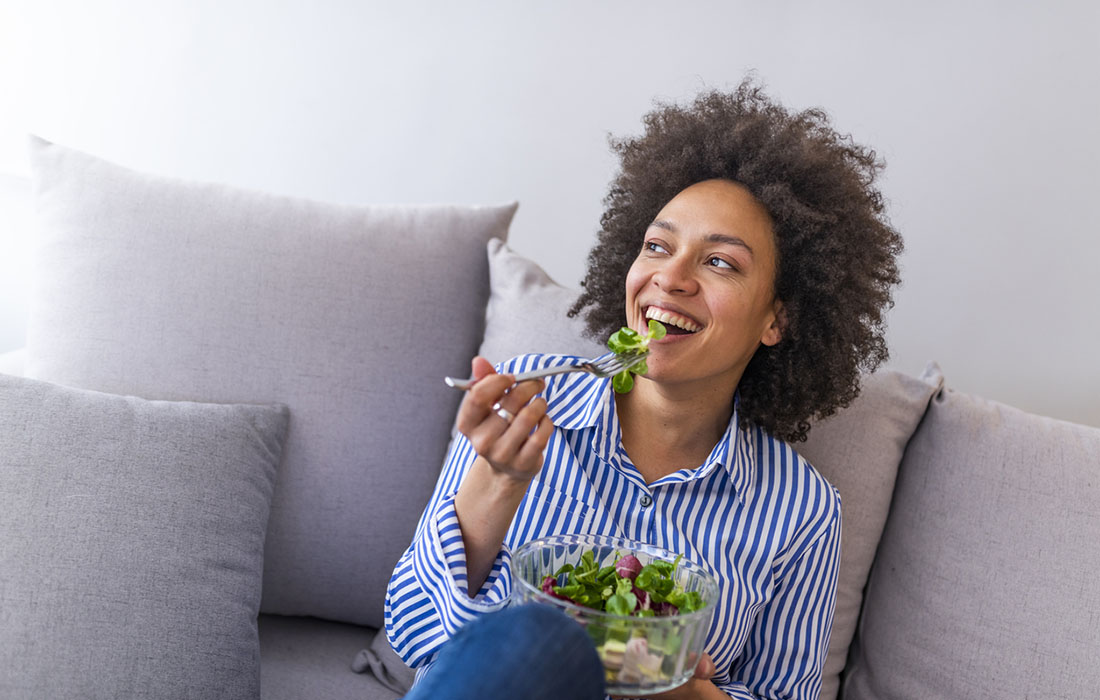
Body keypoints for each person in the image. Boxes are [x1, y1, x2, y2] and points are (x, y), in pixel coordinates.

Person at [386, 78, 903, 700]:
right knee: (540, 636)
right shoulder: (526, 400)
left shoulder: (802, 511)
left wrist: (681, 693)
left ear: (777, 320)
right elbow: (414, 635)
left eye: (720, 262)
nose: (671, 277)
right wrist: (497, 480)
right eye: (657, 246)